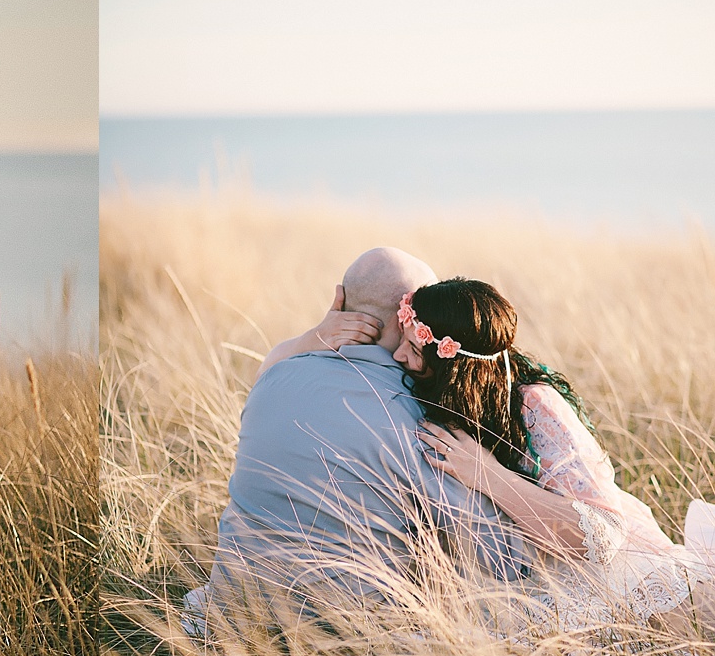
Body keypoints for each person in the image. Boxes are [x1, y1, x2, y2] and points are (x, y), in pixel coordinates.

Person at [193, 248, 535, 629]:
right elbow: (500, 559)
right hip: (341, 638)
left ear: (340, 303)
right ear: (410, 320)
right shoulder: (418, 413)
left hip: (231, 611)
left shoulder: (272, 378)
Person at [399, 278, 715, 629]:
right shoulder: (442, 396)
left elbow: (602, 534)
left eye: (413, 349)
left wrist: (487, 474)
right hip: (525, 588)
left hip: (624, 586)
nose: (399, 356)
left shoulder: (534, 404)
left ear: (453, 362)